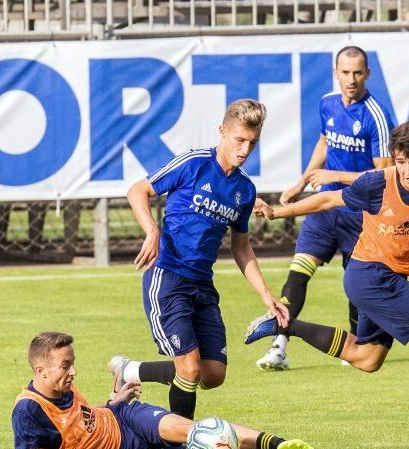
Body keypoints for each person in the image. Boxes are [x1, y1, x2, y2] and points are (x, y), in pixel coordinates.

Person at [246, 119, 409, 439]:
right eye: (401, 161)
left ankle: (284, 324)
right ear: (394, 157)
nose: (408, 170)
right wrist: (277, 213)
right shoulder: (376, 183)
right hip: (370, 274)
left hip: (386, 277)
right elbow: (327, 200)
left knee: (367, 358)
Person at [109, 98, 288, 420]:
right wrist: (152, 231)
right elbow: (138, 190)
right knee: (189, 369)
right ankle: (181, 443)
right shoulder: (194, 163)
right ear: (222, 131)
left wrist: (266, 296)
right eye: (239, 140)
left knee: (212, 374)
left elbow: (242, 247)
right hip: (168, 277)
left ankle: (131, 370)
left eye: (253, 143)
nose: (245, 149)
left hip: (203, 286)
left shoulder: (245, 190)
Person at [12, 332, 321, 449]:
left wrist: (110, 404)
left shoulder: (61, 383)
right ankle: (129, 368)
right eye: (66, 366)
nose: (74, 372)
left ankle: (279, 445)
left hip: (125, 419)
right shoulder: (28, 411)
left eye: (73, 364)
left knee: (192, 430)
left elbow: (77, 420)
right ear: (41, 371)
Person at [256, 45, 394, 371]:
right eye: (345, 72)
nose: (351, 79)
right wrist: (302, 182)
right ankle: (279, 346)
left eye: (357, 73)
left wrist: (336, 175)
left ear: (368, 74)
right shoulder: (327, 104)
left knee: (355, 284)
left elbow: (385, 175)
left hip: (360, 213)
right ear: (336, 73)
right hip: (324, 208)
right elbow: (324, 142)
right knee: (297, 274)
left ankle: (357, 344)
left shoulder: (375, 115)